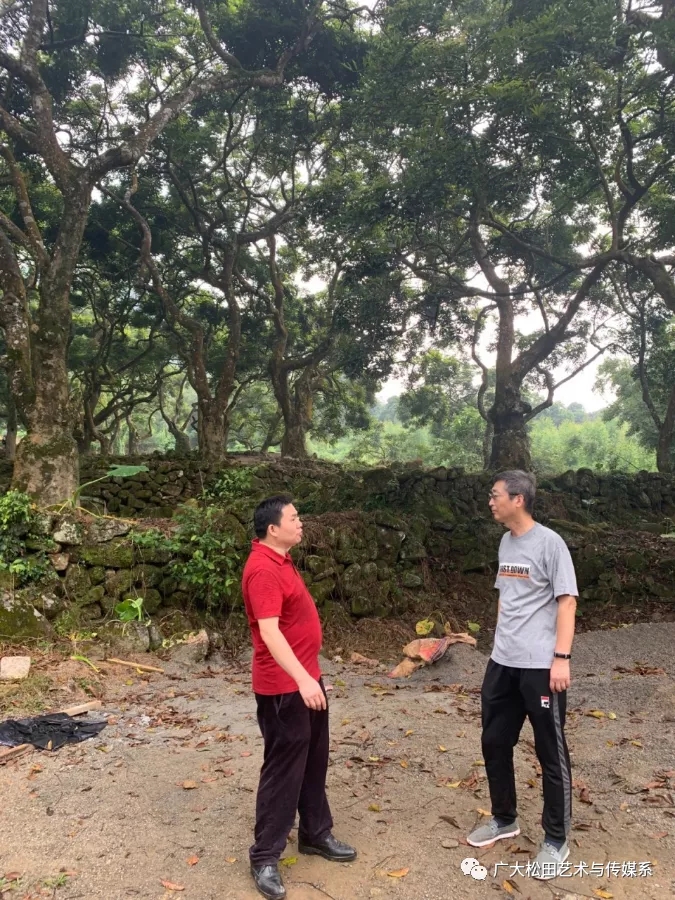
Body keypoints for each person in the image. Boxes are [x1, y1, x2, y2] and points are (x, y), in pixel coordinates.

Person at [242, 495, 357, 900]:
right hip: (284, 687)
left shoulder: (281, 559)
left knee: (313, 759)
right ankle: (264, 856)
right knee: (284, 770)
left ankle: (315, 833)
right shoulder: (262, 569)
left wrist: (312, 678)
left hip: (306, 679)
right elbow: (270, 632)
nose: (300, 522)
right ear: (273, 528)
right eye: (293, 518)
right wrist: (303, 681)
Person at [466, 470, 577, 881]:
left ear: (518, 499)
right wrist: (499, 643)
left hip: (540, 665)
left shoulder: (550, 543)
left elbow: (567, 601)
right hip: (503, 661)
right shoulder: (505, 541)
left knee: (550, 751)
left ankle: (556, 839)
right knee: (494, 741)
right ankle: (504, 818)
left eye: (495, 495)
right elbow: (506, 597)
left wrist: (561, 658)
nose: (490, 501)